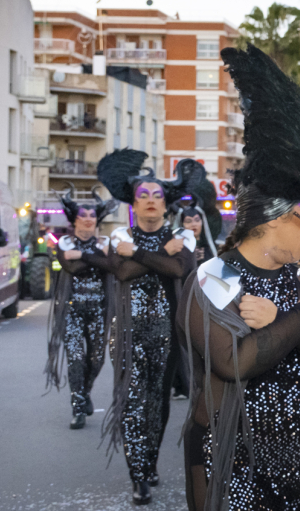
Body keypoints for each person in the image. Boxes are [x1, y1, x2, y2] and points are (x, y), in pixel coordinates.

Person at [179, 45, 300, 511]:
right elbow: (236, 363)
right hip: (234, 463)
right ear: (270, 221)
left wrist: (281, 317)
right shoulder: (212, 277)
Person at [90, 151, 203, 505]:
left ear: (166, 203)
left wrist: (137, 253)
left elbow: (177, 270)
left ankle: (150, 459)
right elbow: (121, 273)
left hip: (169, 337)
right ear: (133, 204)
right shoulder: (117, 236)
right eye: (144, 196)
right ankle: (138, 475)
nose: (151, 201)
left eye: (157, 196)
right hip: (127, 334)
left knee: (158, 404)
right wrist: (158, 254)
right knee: (133, 403)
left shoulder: (183, 236)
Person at [45, 185, 118, 429]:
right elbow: (71, 268)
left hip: (99, 310)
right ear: (74, 219)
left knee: (96, 359)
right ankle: (77, 408)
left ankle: (85, 392)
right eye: (82, 215)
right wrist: (98, 257)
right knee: (76, 358)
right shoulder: (64, 242)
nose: (87, 219)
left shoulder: (106, 242)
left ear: (98, 219)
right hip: (71, 310)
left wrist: (83, 255)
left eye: (92, 215)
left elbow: (112, 266)